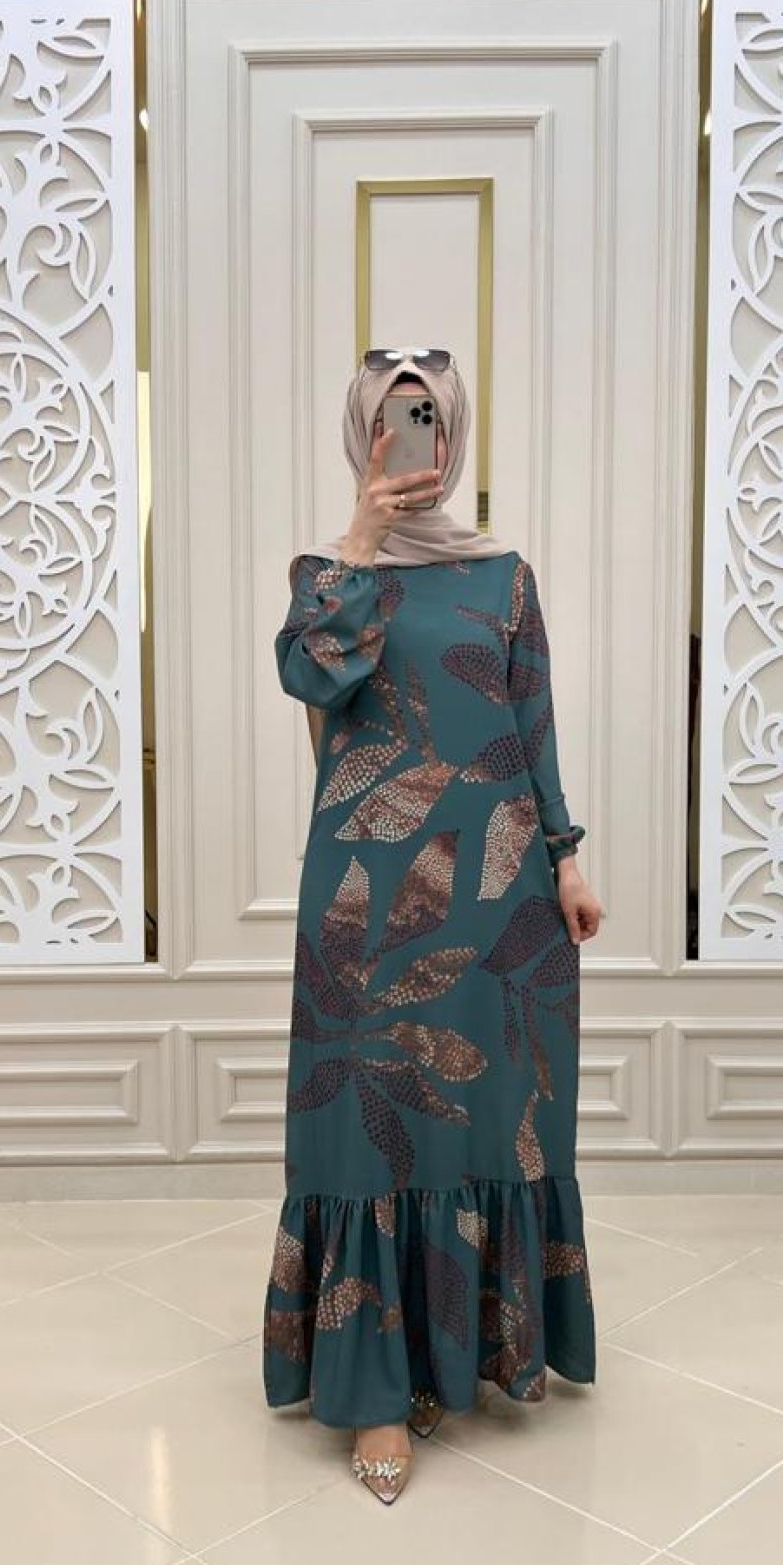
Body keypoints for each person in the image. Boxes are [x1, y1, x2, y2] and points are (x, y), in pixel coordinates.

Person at [262, 347, 604, 1504]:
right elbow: (314, 681)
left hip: (501, 888)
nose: (419, 442)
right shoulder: (327, 575)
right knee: (368, 1127)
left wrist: (566, 856)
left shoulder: (504, 576)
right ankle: (372, 1388)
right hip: (366, 889)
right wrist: (360, 540)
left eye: (433, 421)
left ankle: (478, 1350)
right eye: (394, 420)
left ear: (454, 437)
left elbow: (532, 717)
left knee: (490, 1116)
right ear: (360, 436)